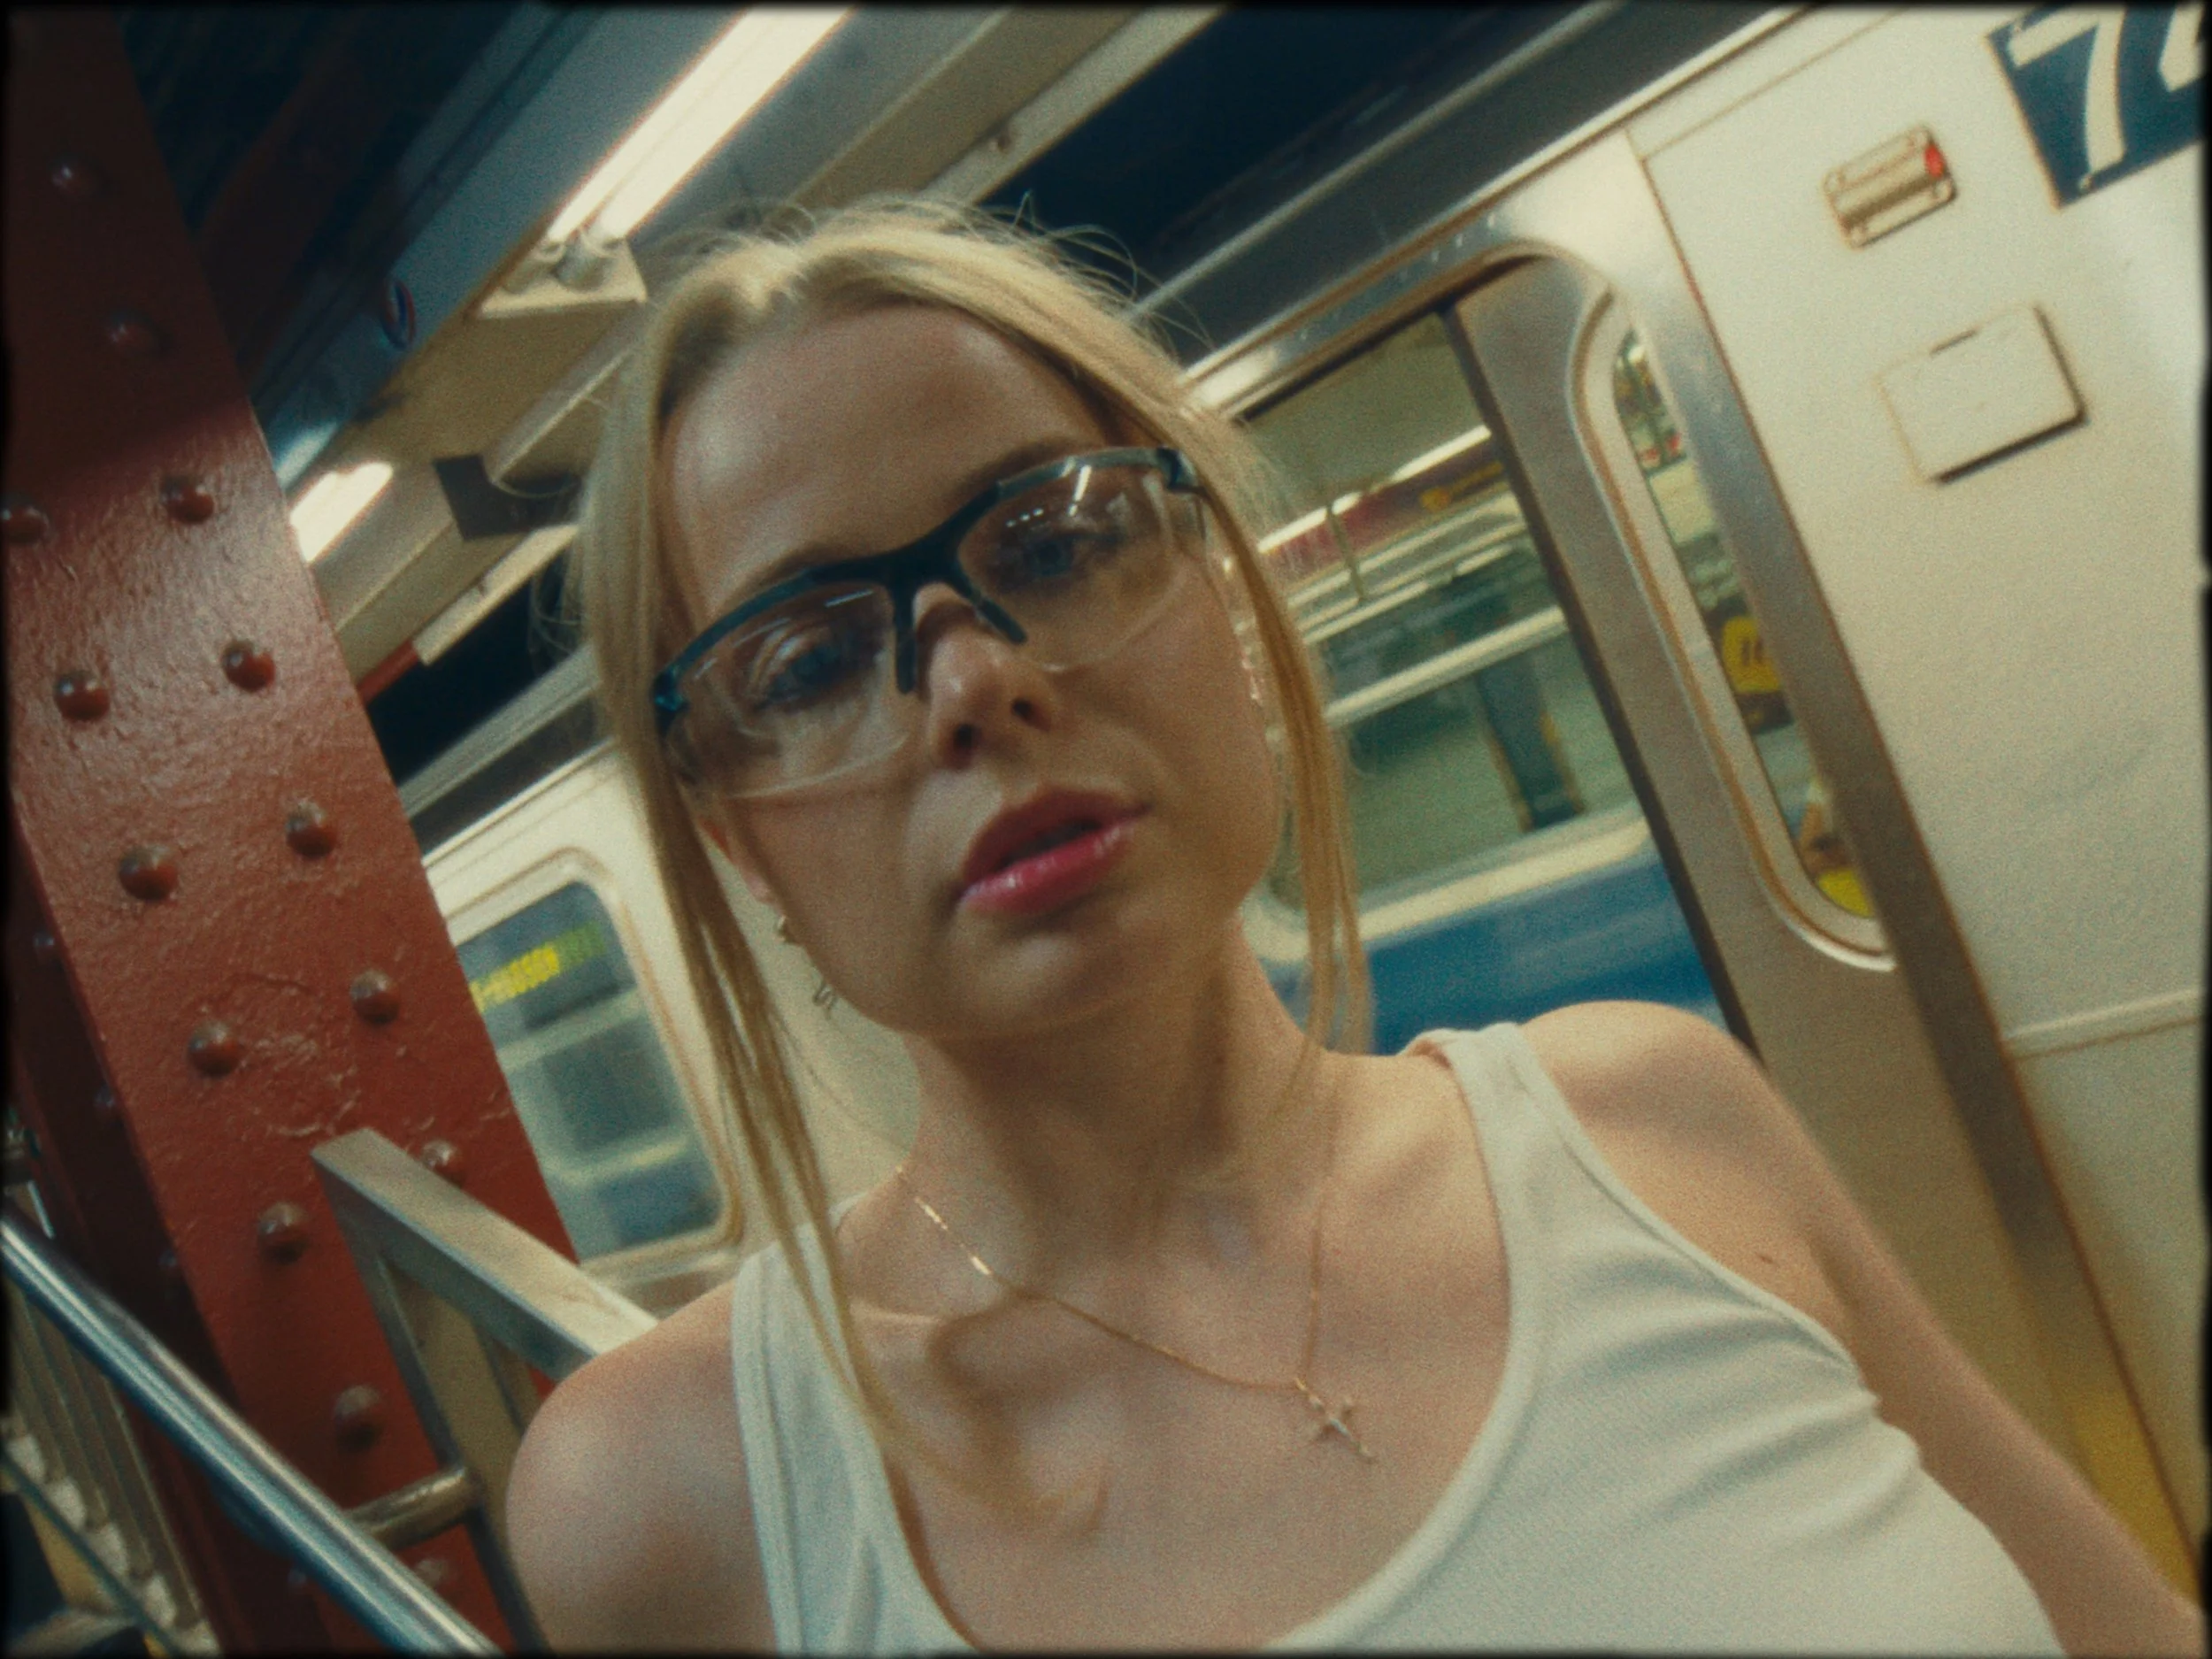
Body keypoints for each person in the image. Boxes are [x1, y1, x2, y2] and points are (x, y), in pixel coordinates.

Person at [501, 201, 2201, 1655]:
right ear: (736, 840)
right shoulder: (676, 1495)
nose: (975, 674)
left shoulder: (1661, 1124)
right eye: (804, 661)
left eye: (1060, 537)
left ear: (1222, 594)